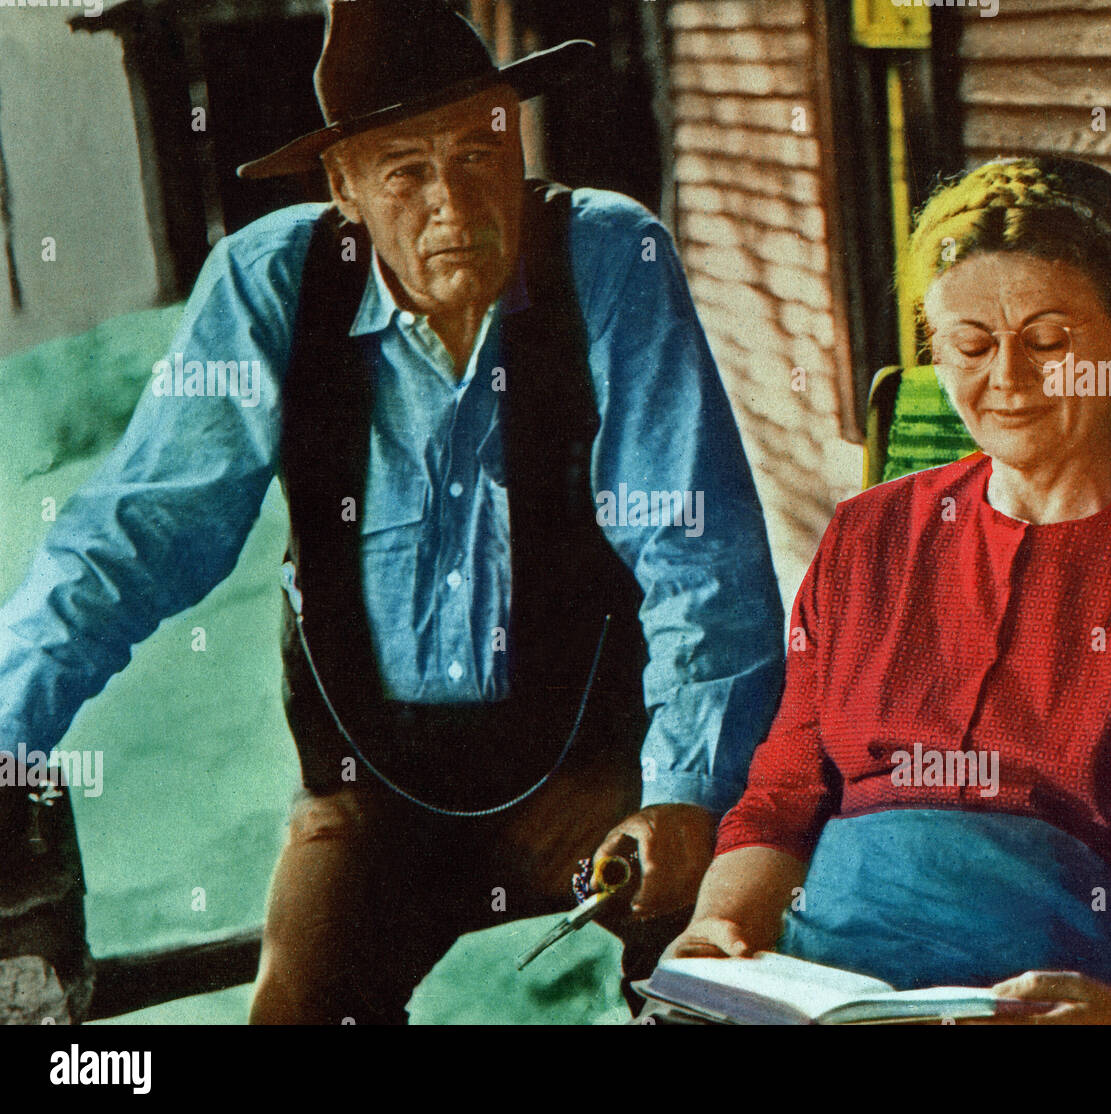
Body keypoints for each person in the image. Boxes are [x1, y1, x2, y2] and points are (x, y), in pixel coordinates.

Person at [0, 0, 784, 1024]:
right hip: (371, 795)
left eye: (475, 152)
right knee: (297, 1011)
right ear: (345, 187)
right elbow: (132, 536)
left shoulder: (607, 259)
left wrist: (683, 787)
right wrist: (8, 730)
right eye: (405, 171)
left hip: (594, 774)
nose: (451, 204)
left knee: (715, 980)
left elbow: (697, 554)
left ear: (516, 138)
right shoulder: (270, 285)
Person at [664, 156, 1111, 1024]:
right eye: (969, 344)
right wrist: (717, 931)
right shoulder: (866, 535)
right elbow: (783, 795)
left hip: (1063, 988)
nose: (1007, 377)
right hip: (834, 981)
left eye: (1047, 342)